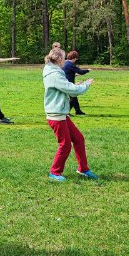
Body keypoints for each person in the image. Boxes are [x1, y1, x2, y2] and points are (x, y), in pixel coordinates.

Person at [43, 47, 97, 181]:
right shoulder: (54, 74)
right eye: (64, 57)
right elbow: (72, 91)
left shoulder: (53, 71)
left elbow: (63, 87)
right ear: (60, 59)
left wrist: (75, 84)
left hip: (61, 113)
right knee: (65, 144)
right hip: (56, 115)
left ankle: (83, 169)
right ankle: (54, 173)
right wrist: (86, 85)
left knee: (78, 139)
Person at [62, 50, 90, 115]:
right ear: (74, 58)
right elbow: (80, 71)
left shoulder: (65, 63)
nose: (76, 60)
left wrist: (74, 75)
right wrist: (87, 70)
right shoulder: (71, 64)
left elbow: (68, 72)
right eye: (76, 58)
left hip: (65, 82)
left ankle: (78, 111)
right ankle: (66, 112)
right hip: (69, 83)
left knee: (74, 97)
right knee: (72, 97)